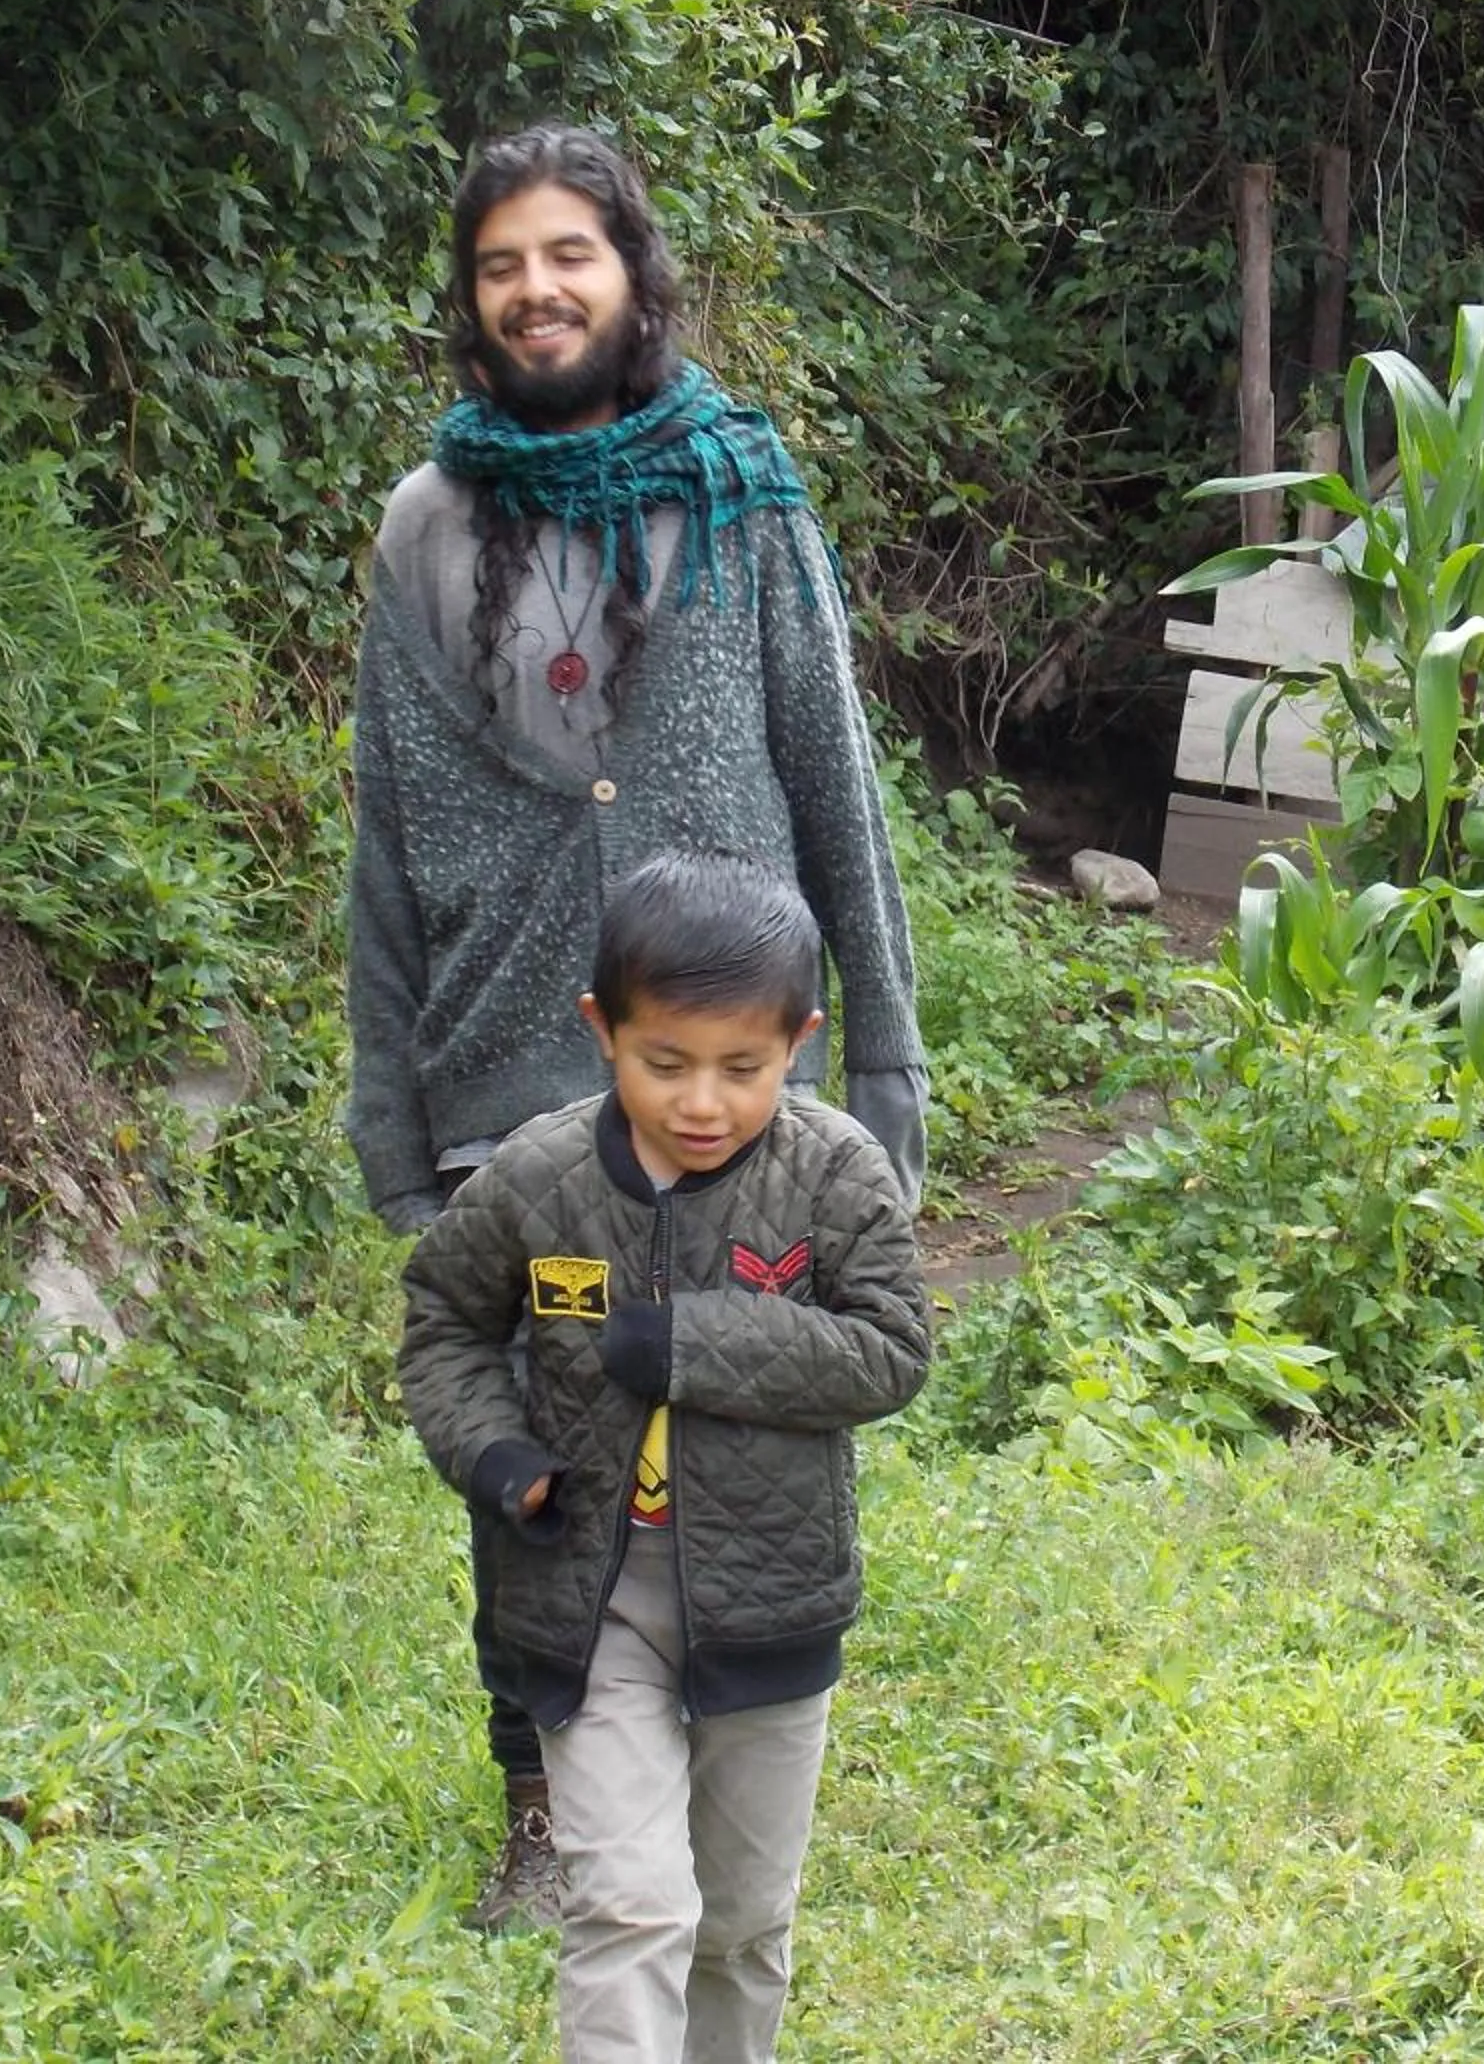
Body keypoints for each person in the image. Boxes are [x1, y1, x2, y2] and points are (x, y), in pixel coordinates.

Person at [345, 121, 929, 1930]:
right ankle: (548, 1789)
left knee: (737, 1413)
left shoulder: (743, 497)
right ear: (470, 296)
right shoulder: (425, 529)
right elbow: (381, 838)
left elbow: (835, 781)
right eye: (504, 262)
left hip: (724, 1066)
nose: (538, 289)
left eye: (570, 254)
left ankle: (727, 1748)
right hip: (503, 1054)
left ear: (632, 271)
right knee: (535, 1439)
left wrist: (886, 1065)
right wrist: (387, 1113)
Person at [400, 850, 931, 2062]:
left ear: (797, 1043)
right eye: (664, 1063)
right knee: (631, 1908)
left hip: (769, 1610)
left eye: (742, 1069)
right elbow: (443, 1318)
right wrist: (491, 1451)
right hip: (589, 1606)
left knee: (738, 1929)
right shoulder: (536, 1177)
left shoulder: (835, 1174)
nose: (702, 1103)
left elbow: (892, 1349)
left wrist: (689, 1342)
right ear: (603, 1031)